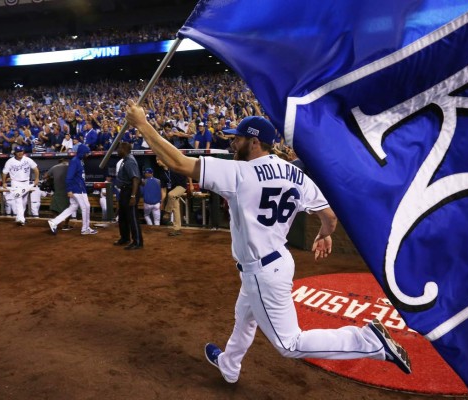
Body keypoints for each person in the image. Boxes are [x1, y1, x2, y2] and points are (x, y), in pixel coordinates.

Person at [125, 104, 412, 384]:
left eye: (237, 138)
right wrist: (324, 233)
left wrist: (142, 124)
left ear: (254, 142)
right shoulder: (296, 174)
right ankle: (229, 364)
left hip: (262, 271)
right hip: (275, 262)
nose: (233, 143)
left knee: (289, 344)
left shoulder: (241, 173)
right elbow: (330, 216)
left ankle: (367, 341)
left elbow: (177, 162)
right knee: (245, 318)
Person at [47, 145, 98, 235]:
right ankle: (85, 228)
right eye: (86, 153)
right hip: (76, 188)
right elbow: (69, 177)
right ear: (82, 152)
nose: (88, 155)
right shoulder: (75, 161)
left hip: (80, 187)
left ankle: (54, 222)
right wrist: (69, 190)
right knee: (86, 207)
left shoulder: (80, 161)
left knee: (73, 207)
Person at [113, 142, 143, 250]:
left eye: (119, 148)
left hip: (130, 191)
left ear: (124, 149)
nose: (117, 150)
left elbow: (135, 179)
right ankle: (125, 238)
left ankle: (137, 242)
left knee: (132, 217)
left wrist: (133, 196)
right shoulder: (125, 160)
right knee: (123, 216)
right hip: (125, 191)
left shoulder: (129, 161)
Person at [1, 146, 40, 226]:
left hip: (26, 182)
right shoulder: (10, 161)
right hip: (15, 182)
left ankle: (19, 217)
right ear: (15, 153)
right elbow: (4, 173)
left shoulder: (27, 159)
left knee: (24, 202)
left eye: (21, 151)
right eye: (18, 151)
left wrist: (36, 179)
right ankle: (21, 219)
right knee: (18, 201)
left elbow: (35, 169)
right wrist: (4, 182)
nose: (20, 153)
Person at [156, 158, 191, 236]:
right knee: (175, 208)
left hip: (182, 186)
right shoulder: (162, 174)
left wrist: (191, 185)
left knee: (171, 194)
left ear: (164, 159)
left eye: (158, 159)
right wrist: (162, 202)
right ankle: (177, 229)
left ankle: (167, 212)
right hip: (173, 190)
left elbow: (188, 172)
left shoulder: (174, 166)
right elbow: (164, 191)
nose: (157, 161)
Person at [44, 158, 73, 230]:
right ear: (66, 161)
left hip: (58, 190)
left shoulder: (54, 167)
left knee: (54, 208)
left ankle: (56, 222)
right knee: (70, 208)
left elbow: (45, 176)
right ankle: (66, 224)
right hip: (69, 190)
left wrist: (51, 178)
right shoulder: (70, 166)